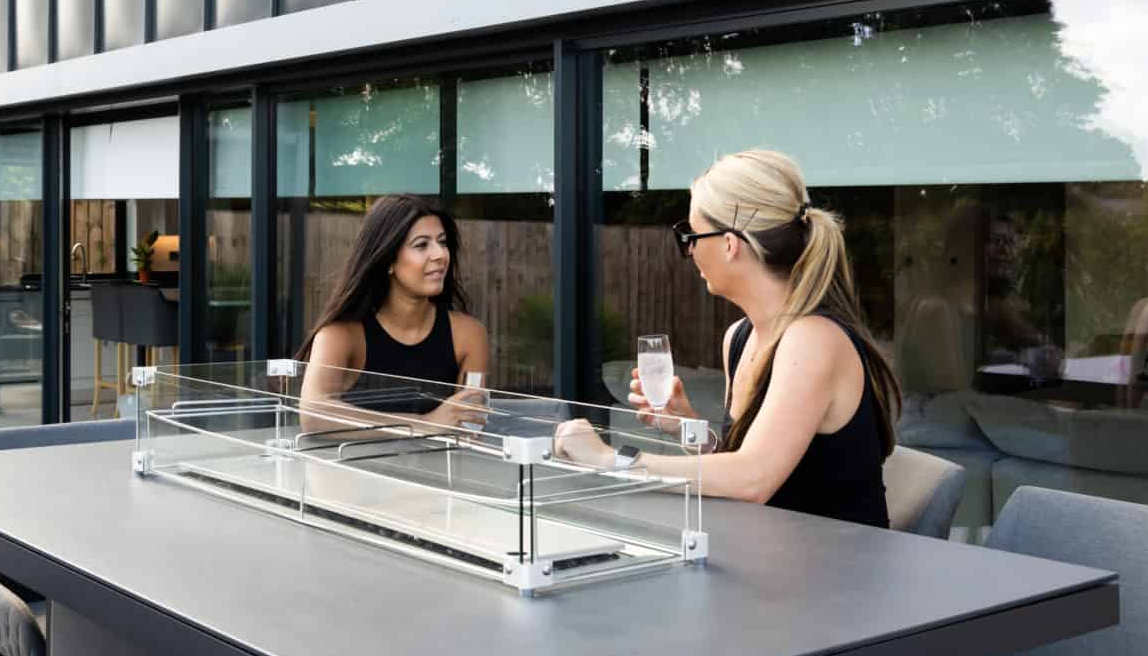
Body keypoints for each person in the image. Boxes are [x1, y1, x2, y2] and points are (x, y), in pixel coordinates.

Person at [554, 149, 899, 528]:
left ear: (730, 244)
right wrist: (687, 426)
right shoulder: (740, 337)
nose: (689, 249)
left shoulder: (813, 341)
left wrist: (610, 460)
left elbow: (753, 479)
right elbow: (748, 459)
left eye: (691, 235)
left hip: (836, 571)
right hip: (768, 552)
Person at [295, 194, 489, 427]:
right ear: (388, 260)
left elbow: (471, 425)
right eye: (422, 245)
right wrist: (421, 424)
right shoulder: (340, 336)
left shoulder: (469, 336)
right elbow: (312, 416)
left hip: (438, 463)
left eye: (443, 242)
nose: (440, 255)